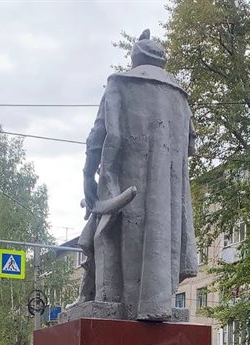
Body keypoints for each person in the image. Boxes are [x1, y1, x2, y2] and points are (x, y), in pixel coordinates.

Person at [77, 29, 198, 321]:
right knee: (147, 241)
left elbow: (98, 137)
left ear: (135, 57)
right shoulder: (180, 98)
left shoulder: (120, 83)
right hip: (166, 200)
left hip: (122, 186)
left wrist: (88, 178)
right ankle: (148, 303)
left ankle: (111, 300)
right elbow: (190, 146)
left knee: (107, 236)